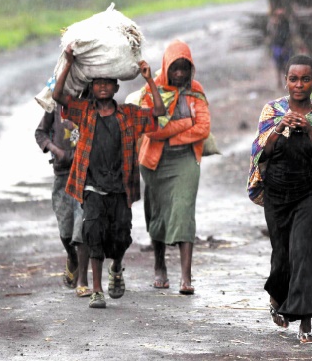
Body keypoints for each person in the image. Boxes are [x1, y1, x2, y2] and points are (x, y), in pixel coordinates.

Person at [247, 54, 312, 344]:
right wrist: (280, 127)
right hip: (277, 195)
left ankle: (305, 324)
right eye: (294, 78)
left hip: (310, 194)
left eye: (305, 78)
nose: (299, 84)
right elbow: (261, 154)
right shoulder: (271, 111)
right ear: (286, 80)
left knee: (305, 253)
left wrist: (308, 129)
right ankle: (277, 299)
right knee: (282, 255)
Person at [51, 43, 166, 309]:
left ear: (116, 88)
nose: (103, 87)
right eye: (98, 83)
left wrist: (148, 78)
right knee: (93, 235)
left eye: (108, 84)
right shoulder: (85, 112)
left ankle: (117, 268)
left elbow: (158, 113)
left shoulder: (128, 114)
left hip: (120, 189)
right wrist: (68, 61)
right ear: (92, 88)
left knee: (121, 236)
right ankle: (97, 291)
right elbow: (58, 96)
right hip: (91, 188)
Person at [137, 40, 210, 295]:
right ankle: (159, 266)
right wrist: (183, 125)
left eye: (184, 68)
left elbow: (203, 128)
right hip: (155, 162)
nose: (179, 74)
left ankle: (186, 277)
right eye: (175, 68)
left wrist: (172, 135)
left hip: (186, 160)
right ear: (166, 67)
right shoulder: (153, 89)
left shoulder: (196, 91)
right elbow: (151, 131)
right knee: (157, 214)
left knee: (183, 211)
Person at [34, 105, 91, 297]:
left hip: (86, 174)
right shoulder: (55, 106)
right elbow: (40, 133)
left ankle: (83, 280)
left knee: (81, 226)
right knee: (66, 230)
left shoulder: (92, 102)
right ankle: (72, 258)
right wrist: (56, 150)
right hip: (63, 175)